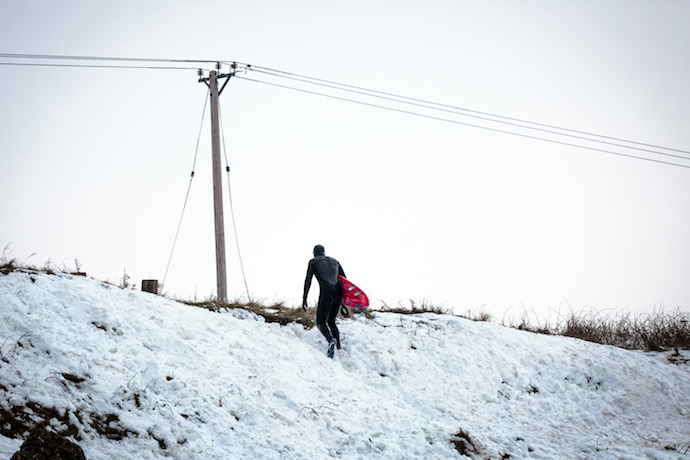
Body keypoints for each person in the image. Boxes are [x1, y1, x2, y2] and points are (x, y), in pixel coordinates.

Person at [302, 244, 346, 358]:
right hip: (338, 293)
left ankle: (331, 340)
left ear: (314, 253)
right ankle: (339, 347)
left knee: (321, 322)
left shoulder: (313, 262)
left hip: (326, 292)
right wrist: (344, 302)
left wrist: (304, 297)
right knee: (331, 321)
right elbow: (345, 281)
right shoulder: (335, 261)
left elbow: (308, 280)